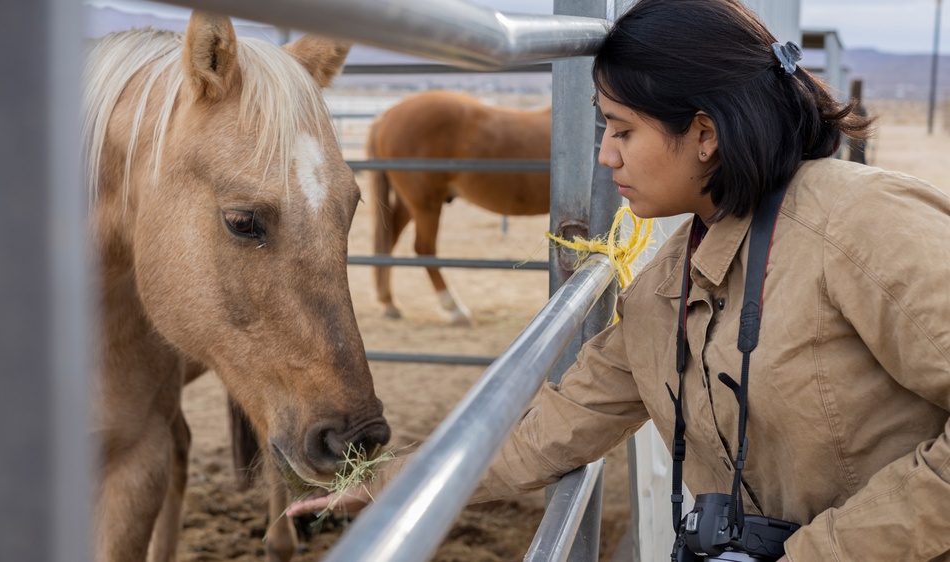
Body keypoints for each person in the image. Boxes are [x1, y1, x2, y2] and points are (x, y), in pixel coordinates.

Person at [289, 0, 950, 559]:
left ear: (704, 134)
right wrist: (389, 487)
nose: (604, 154)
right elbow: (554, 425)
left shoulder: (865, 224)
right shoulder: (668, 286)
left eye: (622, 129)